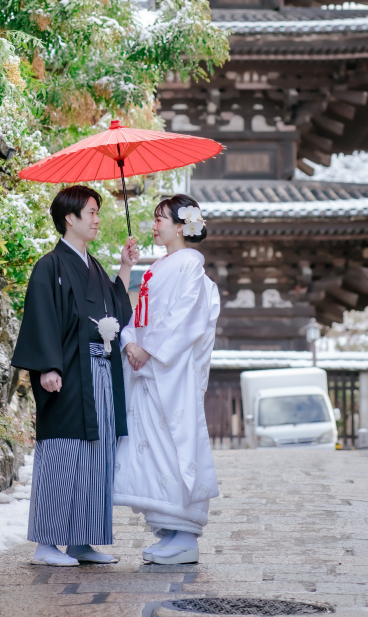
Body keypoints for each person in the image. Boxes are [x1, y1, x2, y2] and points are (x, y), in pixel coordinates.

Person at [11, 185, 139, 567]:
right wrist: (48, 366)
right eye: (92, 212)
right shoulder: (50, 266)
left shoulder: (94, 266)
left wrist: (125, 268)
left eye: (98, 212)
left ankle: (83, 541)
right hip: (67, 372)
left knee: (97, 455)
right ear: (70, 218)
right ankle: (47, 543)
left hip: (100, 371)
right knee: (62, 452)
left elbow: (116, 310)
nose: (98, 219)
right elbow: (41, 317)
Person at [113, 194, 220, 565]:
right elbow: (140, 317)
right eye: (154, 218)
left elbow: (184, 318)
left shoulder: (190, 266)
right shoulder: (161, 266)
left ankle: (186, 535)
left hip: (170, 373)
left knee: (173, 446)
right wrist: (129, 341)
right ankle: (169, 529)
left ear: (180, 226)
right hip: (150, 370)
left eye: (161, 219)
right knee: (154, 449)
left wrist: (149, 349)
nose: (154, 224)